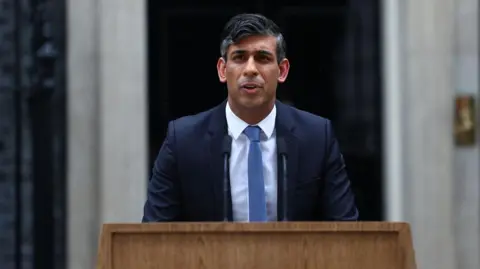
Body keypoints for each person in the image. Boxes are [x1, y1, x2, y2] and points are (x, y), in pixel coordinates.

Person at [142, 13, 358, 222]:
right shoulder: (183, 141)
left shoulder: (317, 137)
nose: (251, 69)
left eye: (263, 58)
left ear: (282, 71)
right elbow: (153, 234)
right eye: (239, 57)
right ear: (223, 70)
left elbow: (345, 229)